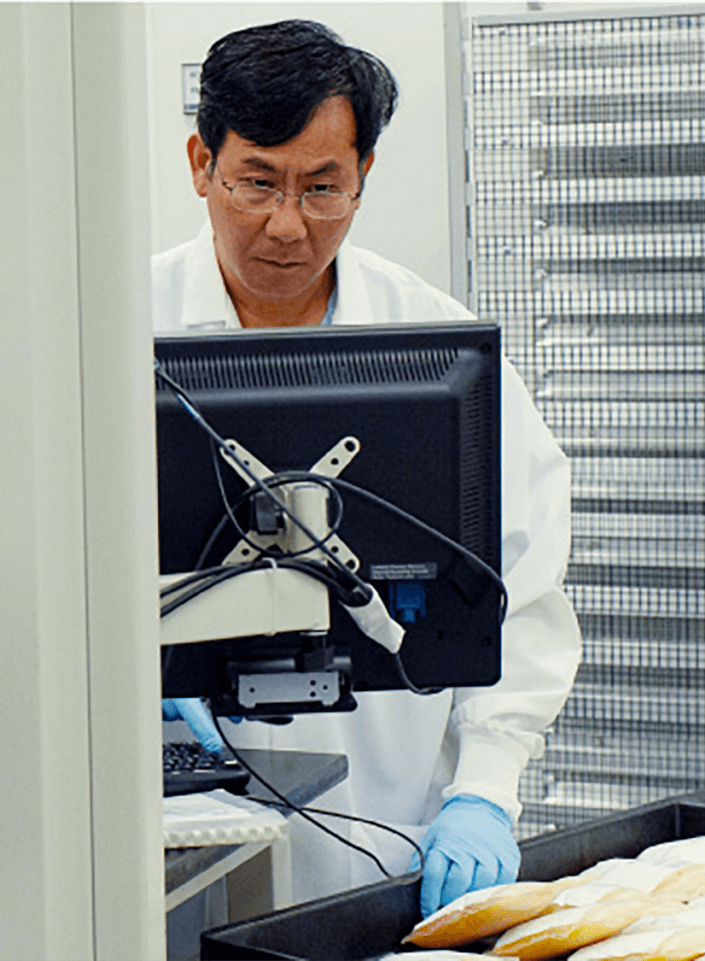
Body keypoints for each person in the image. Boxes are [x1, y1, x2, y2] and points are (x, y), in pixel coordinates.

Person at [156, 20, 581, 915]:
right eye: (257, 182)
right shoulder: (107, 326)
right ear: (201, 163)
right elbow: (3, 558)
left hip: (388, 831)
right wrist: (130, 691)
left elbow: (526, 586)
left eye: (322, 189)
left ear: (363, 177)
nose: (287, 225)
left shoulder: (432, 341)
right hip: (165, 834)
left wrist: (484, 788)